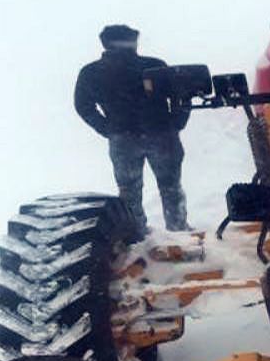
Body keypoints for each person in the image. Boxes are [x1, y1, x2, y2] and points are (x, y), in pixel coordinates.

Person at [74, 24, 191, 233]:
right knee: (171, 187)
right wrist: (176, 122)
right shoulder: (154, 66)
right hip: (161, 135)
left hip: (125, 139)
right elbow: (181, 95)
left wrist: (108, 129)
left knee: (129, 193)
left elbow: (83, 106)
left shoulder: (92, 72)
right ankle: (178, 229)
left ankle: (137, 235)